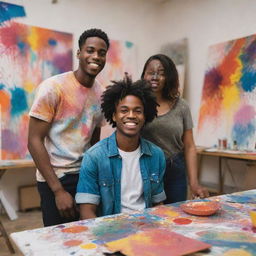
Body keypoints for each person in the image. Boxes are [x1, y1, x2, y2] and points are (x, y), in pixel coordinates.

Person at [28, 28, 110, 226]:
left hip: (84, 176)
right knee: (58, 237)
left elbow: (93, 140)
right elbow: (34, 141)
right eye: (90, 50)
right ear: (79, 53)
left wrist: (93, 176)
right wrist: (57, 191)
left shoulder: (102, 94)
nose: (96, 56)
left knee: (87, 234)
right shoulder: (53, 87)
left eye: (101, 52)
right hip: (55, 177)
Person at [76, 79, 166, 219]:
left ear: (145, 116)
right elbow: (87, 211)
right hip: (110, 230)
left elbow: (158, 204)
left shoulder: (156, 155)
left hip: (147, 228)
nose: (131, 115)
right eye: (124, 110)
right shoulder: (94, 157)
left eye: (138, 111)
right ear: (114, 115)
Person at [141, 54, 209, 204]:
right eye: (151, 72)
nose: (155, 77)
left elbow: (190, 146)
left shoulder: (181, 106)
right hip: (146, 169)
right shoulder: (138, 105)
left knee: (175, 214)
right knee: (149, 218)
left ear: (169, 77)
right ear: (144, 75)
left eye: (162, 73)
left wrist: (194, 183)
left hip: (175, 169)